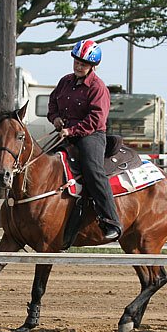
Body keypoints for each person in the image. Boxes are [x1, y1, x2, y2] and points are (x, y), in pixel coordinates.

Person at [47, 39, 122, 241]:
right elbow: (52, 102)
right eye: (76, 62)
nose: (78, 66)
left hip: (91, 136)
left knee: (93, 171)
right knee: (44, 164)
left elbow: (96, 119)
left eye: (83, 63)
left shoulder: (98, 88)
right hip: (65, 133)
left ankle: (111, 221)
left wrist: (71, 131)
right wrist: (55, 119)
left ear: (92, 66)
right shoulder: (65, 81)